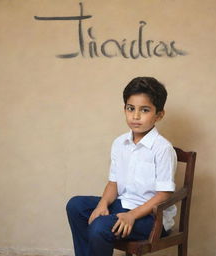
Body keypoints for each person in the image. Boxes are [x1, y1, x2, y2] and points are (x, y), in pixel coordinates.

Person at [66, 77, 177, 256]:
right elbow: (113, 183)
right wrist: (103, 204)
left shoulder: (163, 148)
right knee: (76, 206)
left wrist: (132, 215)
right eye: (130, 108)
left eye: (145, 110)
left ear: (159, 115)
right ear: (124, 109)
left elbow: (164, 195)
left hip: (152, 218)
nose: (135, 116)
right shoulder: (119, 143)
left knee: (100, 226)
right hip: (123, 205)